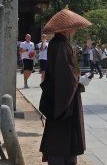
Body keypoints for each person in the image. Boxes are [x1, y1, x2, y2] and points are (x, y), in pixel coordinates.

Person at [39, 28, 89, 164]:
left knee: (67, 136)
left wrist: (77, 79)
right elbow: (64, 73)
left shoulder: (60, 43)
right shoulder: (60, 45)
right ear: (66, 28)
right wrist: (78, 79)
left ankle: (68, 159)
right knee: (61, 135)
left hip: (64, 95)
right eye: (73, 27)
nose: (75, 30)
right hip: (62, 99)